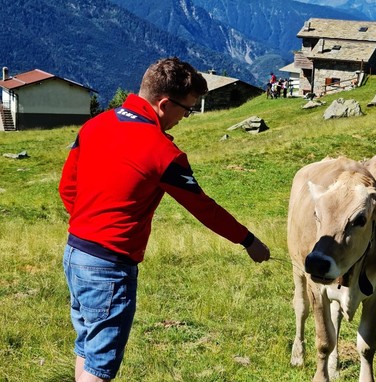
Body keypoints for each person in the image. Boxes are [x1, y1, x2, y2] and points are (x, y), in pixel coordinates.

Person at [59, 57, 271, 382]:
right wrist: (248, 240)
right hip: (109, 266)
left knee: (87, 345)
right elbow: (204, 208)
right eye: (187, 109)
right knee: (100, 367)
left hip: (74, 254)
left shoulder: (94, 126)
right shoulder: (163, 153)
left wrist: (90, 225)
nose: (185, 118)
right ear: (163, 104)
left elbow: (67, 188)